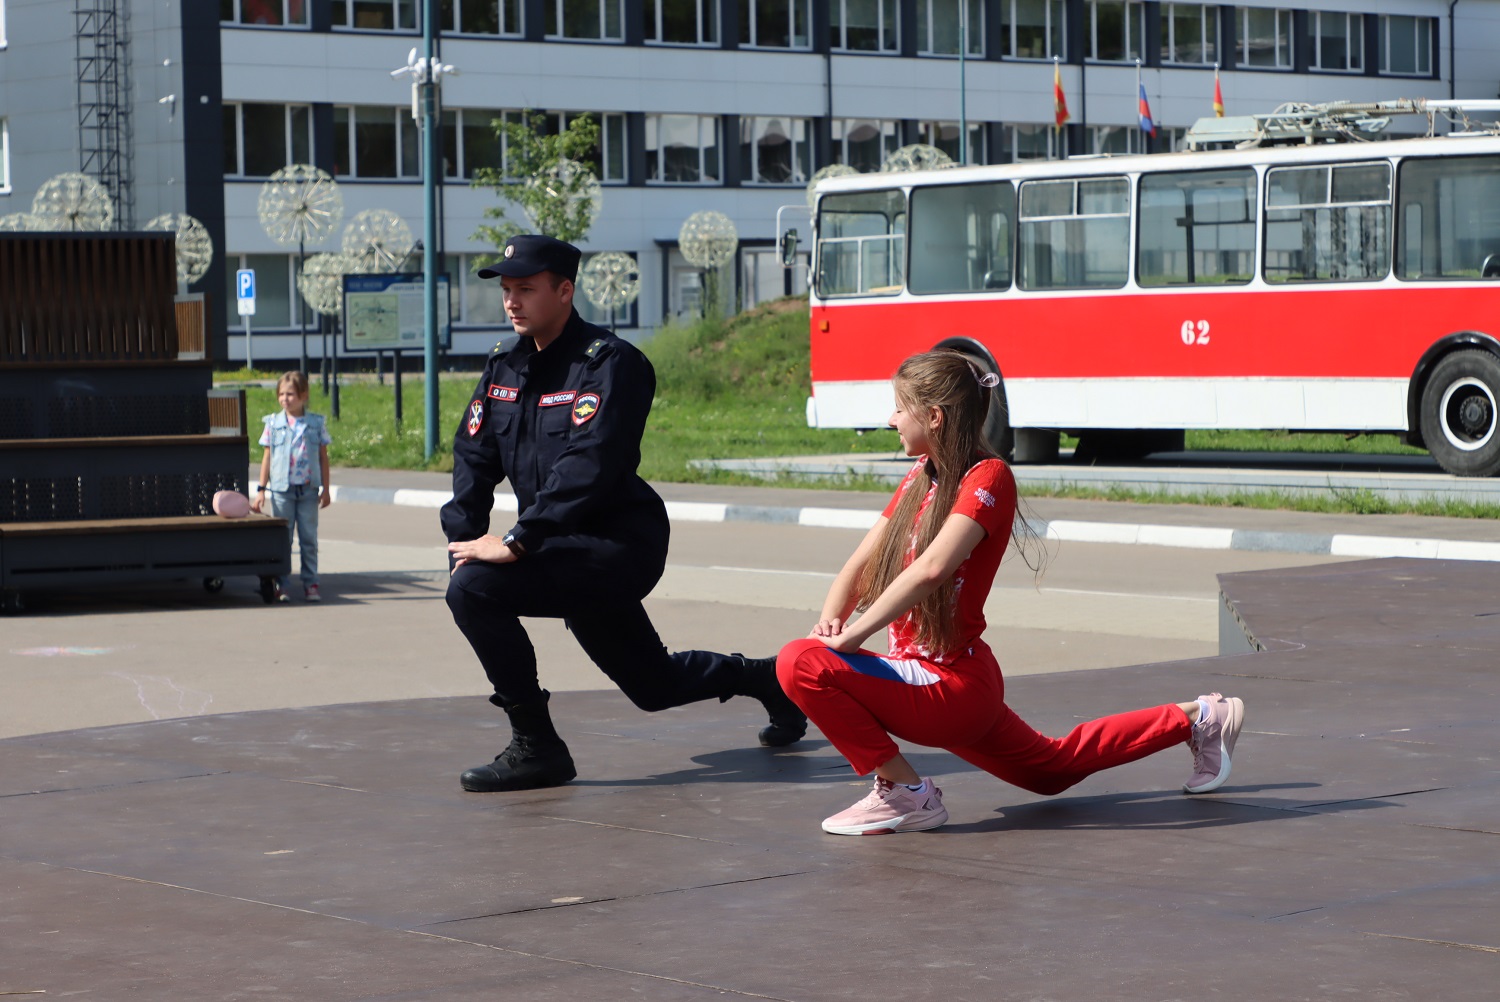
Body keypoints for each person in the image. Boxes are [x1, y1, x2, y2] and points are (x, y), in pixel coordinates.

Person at [776, 350, 1245, 835]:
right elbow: (862, 562)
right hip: (930, 685)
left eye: (899, 407)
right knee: (1053, 771)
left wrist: (850, 638)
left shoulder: (989, 477)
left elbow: (933, 568)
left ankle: (906, 794)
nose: (889, 418)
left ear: (933, 417)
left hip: (952, 685)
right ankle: (1201, 717)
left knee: (797, 663)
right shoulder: (920, 477)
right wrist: (831, 621)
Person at [442, 234, 805, 793]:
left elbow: (592, 462)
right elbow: (472, 457)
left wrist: (515, 541)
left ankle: (537, 747)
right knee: (654, 687)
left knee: (475, 591)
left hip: (615, 547)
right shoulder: (503, 369)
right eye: (507, 290)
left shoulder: (610, 365)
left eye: (527, 289)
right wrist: (463, 543)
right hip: (555, 547)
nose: (512, 301)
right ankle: (765, 678)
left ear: (565, 291)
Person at [251, 370, 332, 603]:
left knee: (308, 539)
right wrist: (261, 490)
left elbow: (323, 458)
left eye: (291, 394)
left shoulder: (315, 423)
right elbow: (267, 458)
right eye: (281, 394)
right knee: (283, 539)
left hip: (308, 490)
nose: (285, 399)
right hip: (281, 491)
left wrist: (326, 489)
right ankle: (282, 584)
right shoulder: (273, 423)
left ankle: (311, 583)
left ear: (304, 395)